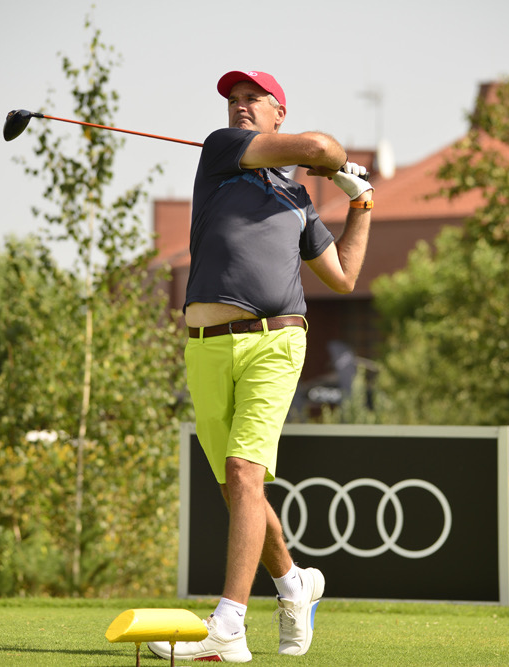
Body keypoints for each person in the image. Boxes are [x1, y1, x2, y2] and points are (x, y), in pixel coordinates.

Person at [149, 70, 373, 663]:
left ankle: (228, 625)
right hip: (204, 345)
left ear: (279, 113)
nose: (240, 107)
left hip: (276, 342)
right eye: (234, 100)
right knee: (236, 488)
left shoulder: (298, 201)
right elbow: (320, 146)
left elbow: (344, 277)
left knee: (245, 475)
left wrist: (361, 202)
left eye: (254, 99)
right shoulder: (221, 154)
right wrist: (333, 163)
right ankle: (295, 584)